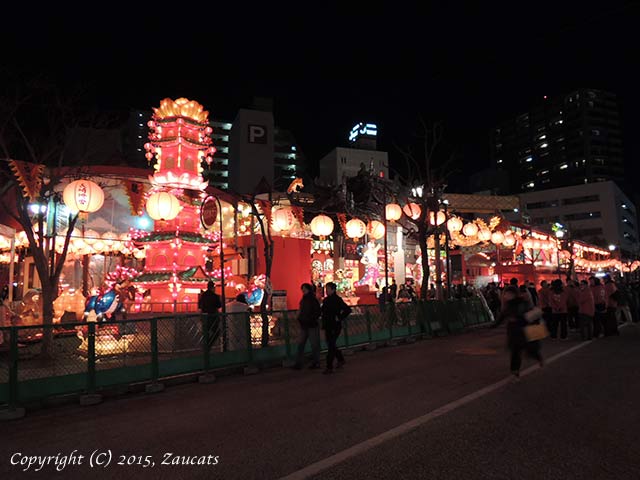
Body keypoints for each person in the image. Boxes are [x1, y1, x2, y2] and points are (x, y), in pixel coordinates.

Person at [499, 286, 543, 377]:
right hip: (513, 331)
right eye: (505, 294)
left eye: (508, 294)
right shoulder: (507, 305)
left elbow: (529, 316)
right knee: (515, 351)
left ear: (514, 294)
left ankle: (538, 358)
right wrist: (492, 326)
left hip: (523, 330)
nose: (506, 296)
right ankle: (515, 371)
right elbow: (502, 317)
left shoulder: (522, 303)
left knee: (529, 349)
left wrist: (517, 319)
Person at [321, 282, 352, 374]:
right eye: (326, 289)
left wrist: (339, 318)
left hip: (334, 325)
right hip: (328, 325)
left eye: (328, 289)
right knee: (331, 344)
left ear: (333, 289)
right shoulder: (326, 300)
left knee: (331, 345)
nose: (326, 291)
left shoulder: (337, 300)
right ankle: (340, 359)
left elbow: (347, 310)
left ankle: (329, 366)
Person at [293, 283, 321, 370]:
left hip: (309, 324)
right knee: (308, 344)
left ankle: (305, 362)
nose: (303, 290)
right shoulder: (307, 299)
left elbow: (316, 312)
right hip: (307, 324)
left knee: (309, 344)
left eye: (304, 289)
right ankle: (305, 362)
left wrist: (303, 318)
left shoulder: (310, 300)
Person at [198, 280, 222, 350]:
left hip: (205, 316)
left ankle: (206, 346)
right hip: (213, 316)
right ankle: (209, 345)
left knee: (206, 332)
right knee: (216, 332)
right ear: (213, 287)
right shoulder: (215, 296)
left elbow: (200, 306)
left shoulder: (203, 296)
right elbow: (219, 305)